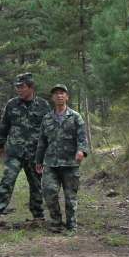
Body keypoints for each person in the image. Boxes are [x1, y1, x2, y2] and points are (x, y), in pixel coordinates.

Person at [0, 73, 51, 222]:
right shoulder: (11, 104)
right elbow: (4, 126)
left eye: (22, 87)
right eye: (17, 87)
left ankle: (38, 215)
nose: (19, 90)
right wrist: (0, 145)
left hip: (35, 153)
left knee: (36, 184)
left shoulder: (43, 105)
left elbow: (48, 130)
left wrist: (47, 151)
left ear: (31, 87)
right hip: (14, 151)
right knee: (7, 180)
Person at [35, 84, 88, 233]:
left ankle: (71, 225)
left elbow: (82, 137)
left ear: (67, 97)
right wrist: (38, 160)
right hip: (51, 163)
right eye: (56, 94)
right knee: (49, 191)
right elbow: (42, 141)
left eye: (62, 93)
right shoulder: (47, 118)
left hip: (70, 163)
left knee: (70, 197)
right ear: (52, 98)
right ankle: (56, 222)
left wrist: (81, 151)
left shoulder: (75, 116)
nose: (59, 96)